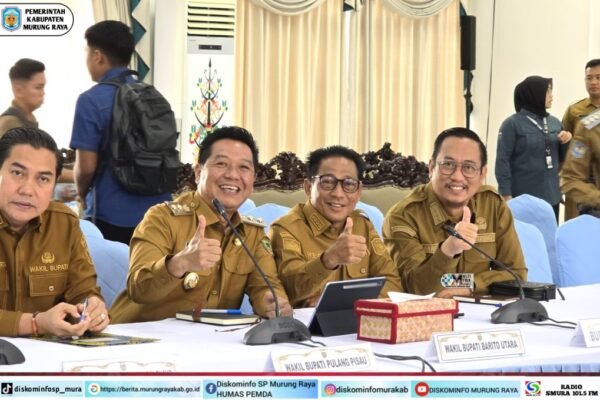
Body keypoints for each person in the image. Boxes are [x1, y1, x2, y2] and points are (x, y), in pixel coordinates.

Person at [109, 126, 292, 323]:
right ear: (198, 173)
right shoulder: (162, 218)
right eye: (221, 163)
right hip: (138, 335)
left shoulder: (252, 233)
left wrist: (270, 302)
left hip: (208, 338)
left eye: (244, 167)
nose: (233, 175)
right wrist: (180, 263)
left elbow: (265, 285)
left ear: (253, 180)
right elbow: (138, 288)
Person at [382, 127, 527, 295]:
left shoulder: (492, 204)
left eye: (468, 167)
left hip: (482, 309)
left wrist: (468, 285)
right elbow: (416, 288)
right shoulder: (403, 216)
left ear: (482, 174)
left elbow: (516, 275)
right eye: (448, 165)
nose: (457, 176)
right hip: (428, 310)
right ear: (431, 168)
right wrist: (448, 250)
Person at [0, 127, 108, 337]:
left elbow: (83, 291)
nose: (27, 190)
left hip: (47, 352)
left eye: (43, 179)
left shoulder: (64, 223)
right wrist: (35, 323)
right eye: (17, 173)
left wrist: (91, 309)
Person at [70, 20, 170, 244]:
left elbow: (86, 168)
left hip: (111, 215)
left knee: (106, 267)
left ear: (97, 56)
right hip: (159, 213)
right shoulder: (154, 95)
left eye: (87, 52)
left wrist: (82, 195)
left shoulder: (90, 100)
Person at [269, 145, 403, 308]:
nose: (338, 194)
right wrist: (328, 260)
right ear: (308, 187)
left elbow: (392, 284)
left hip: (357, 320)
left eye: (349, 184)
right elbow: (287, 292)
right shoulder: (285, 229)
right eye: (327, 182)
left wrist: (338, 303)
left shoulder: (362, 225)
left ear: (359, 191)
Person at [495, 76, 572, 221]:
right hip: (523, 197)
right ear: (535, 94)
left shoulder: (555, 123)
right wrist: (506, 195)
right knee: (523, 234)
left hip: (551, 197)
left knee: (549, 234)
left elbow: (563, 159)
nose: (552, 96)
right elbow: (502, 161)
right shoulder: (512, 124)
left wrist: (566, 142)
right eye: (548, 92)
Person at [560, 59, 600, 219]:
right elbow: (569, 177)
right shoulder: (582, 117)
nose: (594, 82)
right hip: (586, 179)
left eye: (598, 77)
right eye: (589, 78)